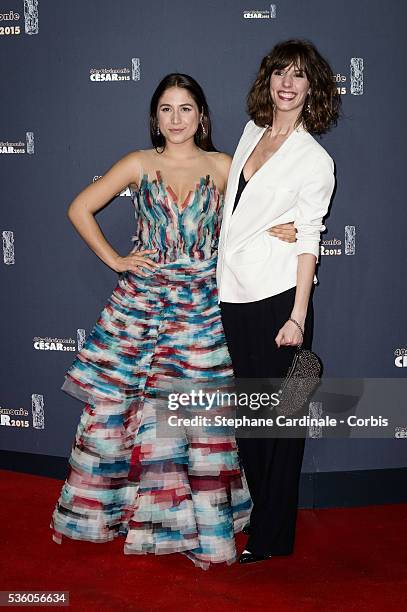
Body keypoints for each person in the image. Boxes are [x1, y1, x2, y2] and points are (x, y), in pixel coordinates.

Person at [50, 73, 294, 570]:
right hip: (143, 306)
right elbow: (80, 207)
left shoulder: (225, 166)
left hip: (203, 305)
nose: (176, 118)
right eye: (166, 109)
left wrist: (282, 226)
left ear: (202, 116)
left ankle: (198, 524)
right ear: (155, 117)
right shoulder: (139, 164)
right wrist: (116, 260)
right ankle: (134, 515)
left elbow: (253, 218)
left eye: (186, 108)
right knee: (125, 412)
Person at [217, 40, 341, 564]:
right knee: (253, 422)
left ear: (312, 88)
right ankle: (266, 523)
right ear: (267, 80)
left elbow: (310, 239)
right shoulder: (250, 133)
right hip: (235, 293)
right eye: (279, 73)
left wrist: (297, 316)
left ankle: (270, 539)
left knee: (281, 424)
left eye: (298, 75)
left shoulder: (315, 159)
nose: (287, 83)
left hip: (279, 302)